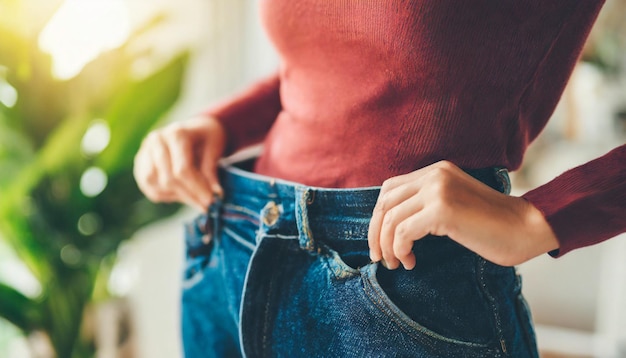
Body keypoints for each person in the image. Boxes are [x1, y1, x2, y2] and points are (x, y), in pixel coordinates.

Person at [133, 1, 626, 357]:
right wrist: (220, 125)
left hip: (403, 280)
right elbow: (334, 65)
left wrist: (541, 216)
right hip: (234, 248)